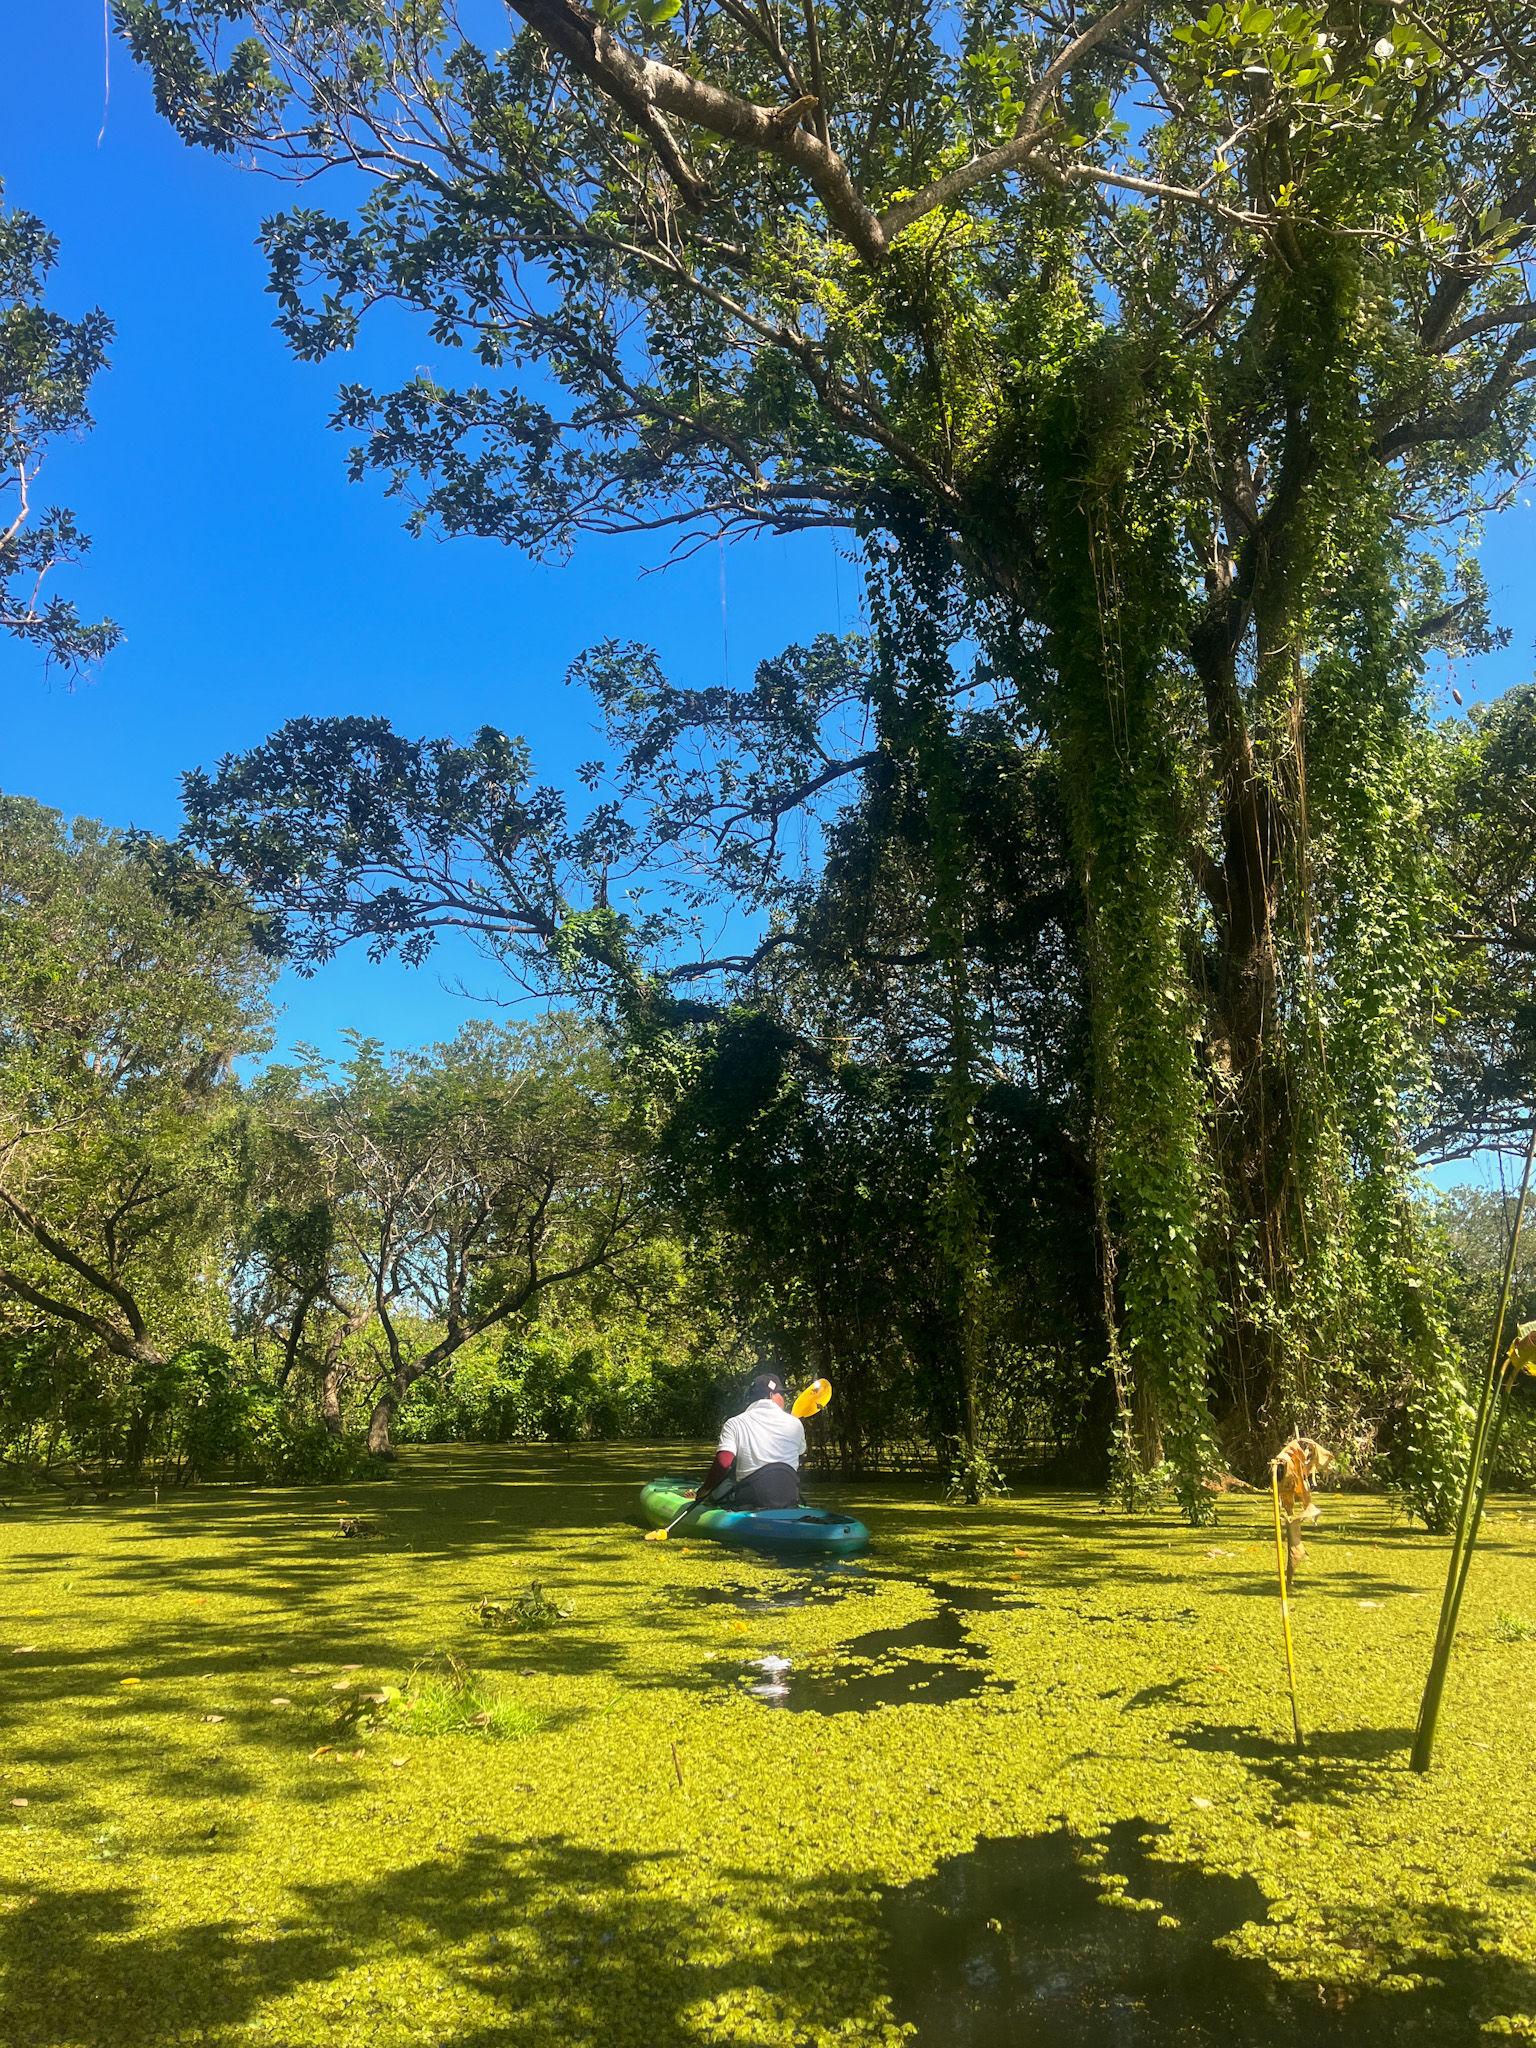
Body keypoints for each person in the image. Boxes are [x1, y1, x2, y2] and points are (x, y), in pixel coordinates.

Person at [697, 1371, 806, 1510]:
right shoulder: (795, 1424)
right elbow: (799, 1451)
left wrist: (705, 1490)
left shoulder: (734, 1423)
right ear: (772, 1396)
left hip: (751, 1499)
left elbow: (724, 1463)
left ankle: (704, 1496)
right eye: (782, 1395)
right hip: (789, 1498)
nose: (784, 1400)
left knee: (721, 1485)